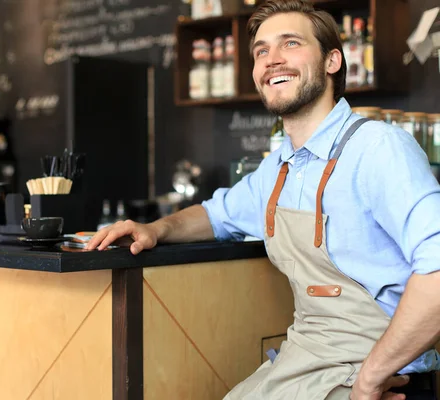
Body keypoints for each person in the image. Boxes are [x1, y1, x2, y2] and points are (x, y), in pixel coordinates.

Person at [85, 0, 440, 398]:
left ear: (332, 61)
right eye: (261, 51)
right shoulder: (278, 170)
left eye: (290, 44)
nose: (272, 59)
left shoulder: (378, 147)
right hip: (306, 364)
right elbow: (216, 215)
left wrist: (370, 379)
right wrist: (156, 229)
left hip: (381, 380)